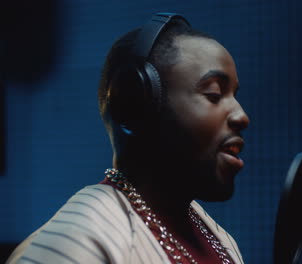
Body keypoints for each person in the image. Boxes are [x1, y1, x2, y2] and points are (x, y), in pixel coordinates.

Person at [7, 13, 249, 264]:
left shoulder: (220, 240)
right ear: (134, 106)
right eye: (214, 93)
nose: (242, 116)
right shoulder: (75, 240)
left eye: (235, 95)